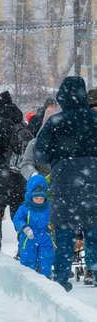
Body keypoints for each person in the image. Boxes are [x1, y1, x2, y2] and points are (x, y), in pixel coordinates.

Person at [35, 76, 97, 292]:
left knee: (64, 234)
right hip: (94, 183)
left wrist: (58, 156)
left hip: (65, 183)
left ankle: (61, 280)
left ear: (62, 97)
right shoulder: (95, 119)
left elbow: (40, 155)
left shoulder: (55, 122)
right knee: (94, 232)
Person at [0, 91, 27, 251]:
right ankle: (25, 252)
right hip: (19, 179)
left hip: (0, 181)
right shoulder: (21, 123)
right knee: (20, 220)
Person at [12, 175, 54, 278]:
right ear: (30, 196)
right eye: (36, 198)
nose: (39, 201)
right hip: (28, 237)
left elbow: (55, 217)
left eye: (42, 198)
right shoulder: (24, 208)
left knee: (46, 257)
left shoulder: (48, 207)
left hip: (44, 235)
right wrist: (24, 228)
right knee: (28, 257)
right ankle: (29, 277)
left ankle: (46, 276)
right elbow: (17, 219)